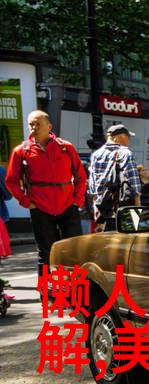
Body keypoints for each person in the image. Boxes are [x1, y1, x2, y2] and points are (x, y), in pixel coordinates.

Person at [5, 110, 87, 279]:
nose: (34, 128)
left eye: (38, 124)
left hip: (68, 207)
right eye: (31, 124)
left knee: (75, 251)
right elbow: (11, 181)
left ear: (49, 126)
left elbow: (80, 176)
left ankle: (76, 289)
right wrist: (26, 202)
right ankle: (46, 291)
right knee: (46, 253)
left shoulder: (66, 147)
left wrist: (77, 200)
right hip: (40, 209)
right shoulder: (21, 151)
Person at [87, 124, 142, 232]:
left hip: (101, 210)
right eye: (127, 137)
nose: (129, 141)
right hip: (120, 208)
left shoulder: (96, 154)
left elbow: (92, 185)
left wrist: (95, 209)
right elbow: (134, 183)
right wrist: (137, 209)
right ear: (117, 137)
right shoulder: (126, 153)